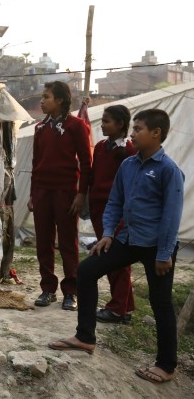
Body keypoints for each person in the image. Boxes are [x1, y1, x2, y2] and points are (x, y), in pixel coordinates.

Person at [49, 109, 184, 384]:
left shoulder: (169, 171)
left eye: (138, 129)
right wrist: (108, 234)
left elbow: (172, 216)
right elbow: (115, 203)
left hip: (157, 247)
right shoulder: (129, 165)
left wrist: (164, 254)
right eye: (132, 129)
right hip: (128, 239)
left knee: (161, 304)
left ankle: (166, 365)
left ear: (156, 133)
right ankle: (85, 337)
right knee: (87, 271)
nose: (132, 134)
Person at [28, 81, 92, 310]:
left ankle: (71, 291)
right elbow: (36, 163)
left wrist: (81, 194)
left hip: (66, 192)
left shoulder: (77, 126)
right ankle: (47, 288)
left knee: (68, 242)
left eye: (46, 97)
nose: (42, 101)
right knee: (43, 242)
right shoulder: (40, 128)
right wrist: (32, 194)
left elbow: (86, 163)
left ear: (60, 100)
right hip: (42, 191)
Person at [88, 105, 137, 324]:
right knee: (110, 256)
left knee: (117, 258)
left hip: (117, 210)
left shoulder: (129, 151)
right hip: (99, 209)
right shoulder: (100, 147)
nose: (103, 124)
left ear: (120, 124)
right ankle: (125, 307)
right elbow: (94, 176)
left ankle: (117, 308)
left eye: (107, 121)